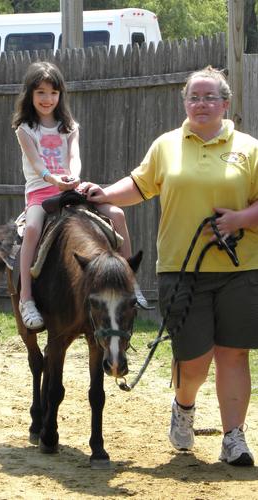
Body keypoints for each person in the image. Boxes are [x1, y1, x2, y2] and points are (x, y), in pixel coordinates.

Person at [81, 66, 258, 466]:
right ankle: (184, 405)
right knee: (192, 360)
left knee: (233, 355)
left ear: (226, 104)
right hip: (181, 268)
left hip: (241, 268)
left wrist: (239, 221)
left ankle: (234, 438)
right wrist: (102, 193)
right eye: (194, 97)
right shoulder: (167, 146)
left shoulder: (249, 148)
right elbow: (140, 185)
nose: (201, 104)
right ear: (185, 103)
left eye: (210, 97)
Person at [12, 61, 147, 329]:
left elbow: (74, 157)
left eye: (53, 92)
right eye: (40, 92)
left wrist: (72, 177)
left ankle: (130, 282)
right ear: (30, 95)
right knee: (31, 231)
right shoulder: (25, 130)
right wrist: (53, 179)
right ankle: (26, 297)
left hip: (72, 189)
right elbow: (37, 164)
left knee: (117, 214)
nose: (47, 99)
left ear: (61, 95)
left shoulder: (69, 126)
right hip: (41, 192)